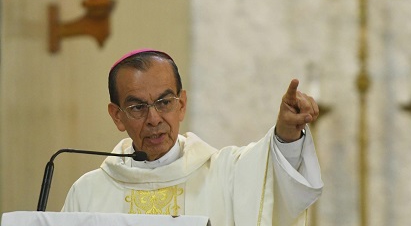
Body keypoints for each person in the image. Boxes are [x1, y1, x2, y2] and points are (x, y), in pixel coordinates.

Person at [62, 48, 323, 226]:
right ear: (117, 116)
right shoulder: (87, 194)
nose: (154, 119)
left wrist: (288, 134)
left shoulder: (225, 174)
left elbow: (274, 184)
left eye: (164, 102)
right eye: (138, 107)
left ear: (182, 105)